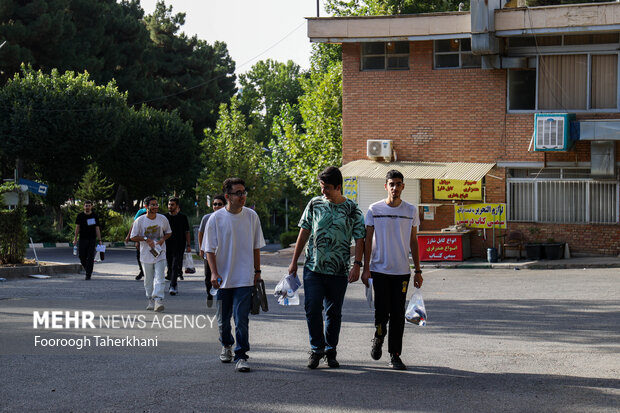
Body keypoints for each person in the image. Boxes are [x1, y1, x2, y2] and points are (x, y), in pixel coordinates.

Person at [288, 166, 366, 369]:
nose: (324, 191)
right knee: (312, 307)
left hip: (339, 271)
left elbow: (360, 239)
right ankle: (316, 349)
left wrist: (357, 265)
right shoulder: (315, 204)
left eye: (328, 188)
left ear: (339, 187)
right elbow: (304, 232)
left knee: (334, 312)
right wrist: (294, 261)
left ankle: (331, 350)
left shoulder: (352, 209)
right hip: (313, 268)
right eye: (322, 187)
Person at [361, 169, 423, 371]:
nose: (395, 188)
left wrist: (418, 270)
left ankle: (395, 354)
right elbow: (367, 240)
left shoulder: (411, 211)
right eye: (391, 184)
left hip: (401, 272)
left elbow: (414, 241)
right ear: (386, 186)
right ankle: (379, 336)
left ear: (403, 186)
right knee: (382, 313)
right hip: (379, 270)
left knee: (397, 315)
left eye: (398, 184)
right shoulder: (374, 209)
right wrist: (366, 268)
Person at [205, 178, 265, 373]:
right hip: (222, 279)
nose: (242, 196)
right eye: (238, 193)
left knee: (241, 319)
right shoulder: (216, 218)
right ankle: (226, 345)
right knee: (223, 319)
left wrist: (257, 271)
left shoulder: (252, 216)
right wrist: (214, 273)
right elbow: (209, 250)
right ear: (227, 196)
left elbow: (256, 247)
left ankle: (241, 355)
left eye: (244, 192)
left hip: (244, 278)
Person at [130, 197, 172, 312]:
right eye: (153, 205)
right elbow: (133, 236)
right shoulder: (140, 220)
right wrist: (145, 238)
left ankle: (158, 300)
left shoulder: (162, 219)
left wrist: (162, 239)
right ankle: (150, 300)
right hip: (146, 254)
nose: (155, 207)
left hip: (160, 252)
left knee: (159, 277)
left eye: (156, 204)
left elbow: (168, 232)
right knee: (148, 279)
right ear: (146, 207)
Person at [198, 194, 226, 307]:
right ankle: (209, 294)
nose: (217, 206)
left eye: (219, 204)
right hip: (209, 253)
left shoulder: (227, 217)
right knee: (208, 276)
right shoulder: (206, 218)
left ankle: (221, 297)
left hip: (222, 253)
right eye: (215, 204)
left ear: (224, 205)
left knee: (222, 275)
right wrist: (201, 248)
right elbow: (200, 233)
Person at [164, 197, 191, 296]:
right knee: (170, 265)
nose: (170, 206)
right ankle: (173, 281)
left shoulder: (183, 217)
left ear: (177, 206)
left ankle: (173, 285)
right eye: (169, 204)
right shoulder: (164, 217)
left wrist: (188, 245)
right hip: (167, 245)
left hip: (179, 245)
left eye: (172, 204)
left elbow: (187, 232)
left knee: (175, 265)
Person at [73, 200, 103, 280]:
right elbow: (77, 228)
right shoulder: (80, 216)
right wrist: (75, 239)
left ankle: (88, 273)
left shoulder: (94, 216)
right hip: (82, 238)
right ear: (84, 206)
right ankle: (87, 269)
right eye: (86, 206)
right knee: (81, 256)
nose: (87, 207)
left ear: (91, 207)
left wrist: (99, 240)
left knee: (90, 257)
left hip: (92, 239)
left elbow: (97, 228)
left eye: (89, 206)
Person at [125, 197, 148, 281]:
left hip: (152, 240)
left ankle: (151, 272)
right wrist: (129, 236)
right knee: (139, 255)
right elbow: (134, 224)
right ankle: (142, 270)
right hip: (141, 238)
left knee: (154, 255)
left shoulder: (156, 214)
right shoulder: (141, 212)